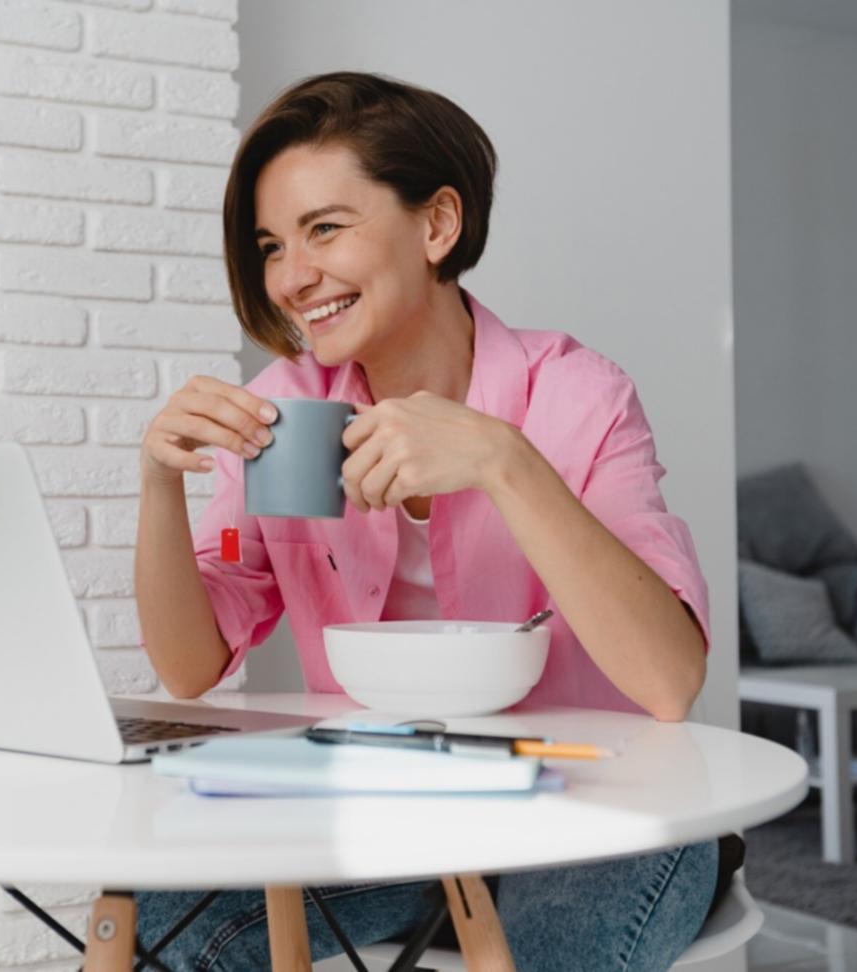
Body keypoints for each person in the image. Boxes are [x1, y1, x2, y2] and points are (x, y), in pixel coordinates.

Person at [133, 71, 717, 971]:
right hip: (392, 803)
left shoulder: (576, 397)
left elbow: (670, 681)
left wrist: (503, 462)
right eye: (271, 244)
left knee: (545, 953)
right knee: (170, 921)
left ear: (437, 225)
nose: (291, 277)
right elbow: (190, 665)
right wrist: (158, 486)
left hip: (595, 792)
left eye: (326, 229)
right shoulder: (288, 414)